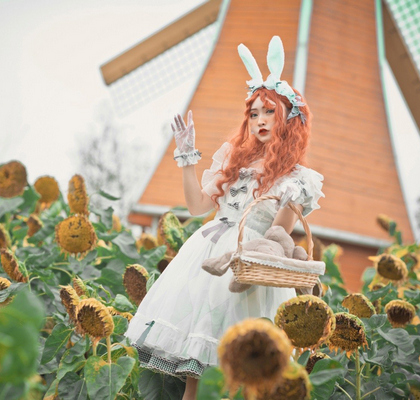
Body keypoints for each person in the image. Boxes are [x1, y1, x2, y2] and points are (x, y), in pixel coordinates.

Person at [124, 36, 324, 400]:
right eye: (254, 113)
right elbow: (198, 206)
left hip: (249, 265)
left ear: (288, 118)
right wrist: (187, 157)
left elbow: (278, 237)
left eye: (269, 112)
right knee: (196, 370)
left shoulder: (296, 179)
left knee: (244, 373)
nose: (260, 120)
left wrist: (254, 246)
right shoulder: (235, 158)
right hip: (205, 254)